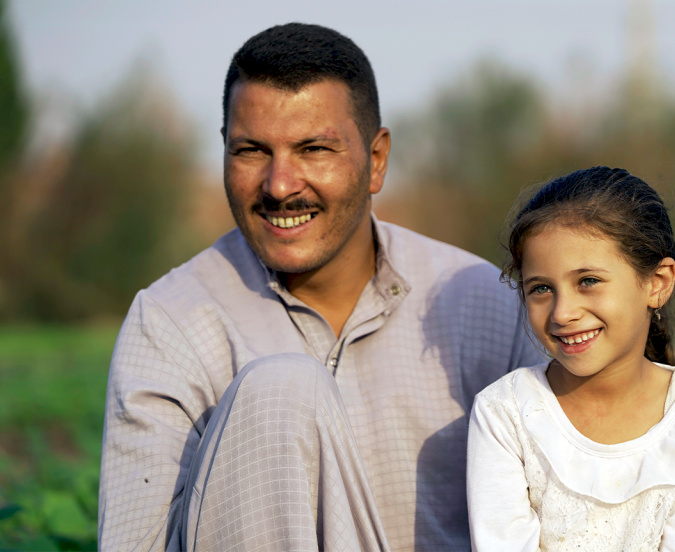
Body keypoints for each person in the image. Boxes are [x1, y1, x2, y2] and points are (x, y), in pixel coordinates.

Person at [98, 23, 543, 552]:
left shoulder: (485, 303)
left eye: (313, 148)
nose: (279, 185)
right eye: (251, 150)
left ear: (376, 160)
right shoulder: (170, 322)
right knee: (279, 391)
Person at [466, 166, 675, 551]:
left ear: (657, 283)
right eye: (541, 288)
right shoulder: (504, 413)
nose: (562, 313)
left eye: (588, 281)